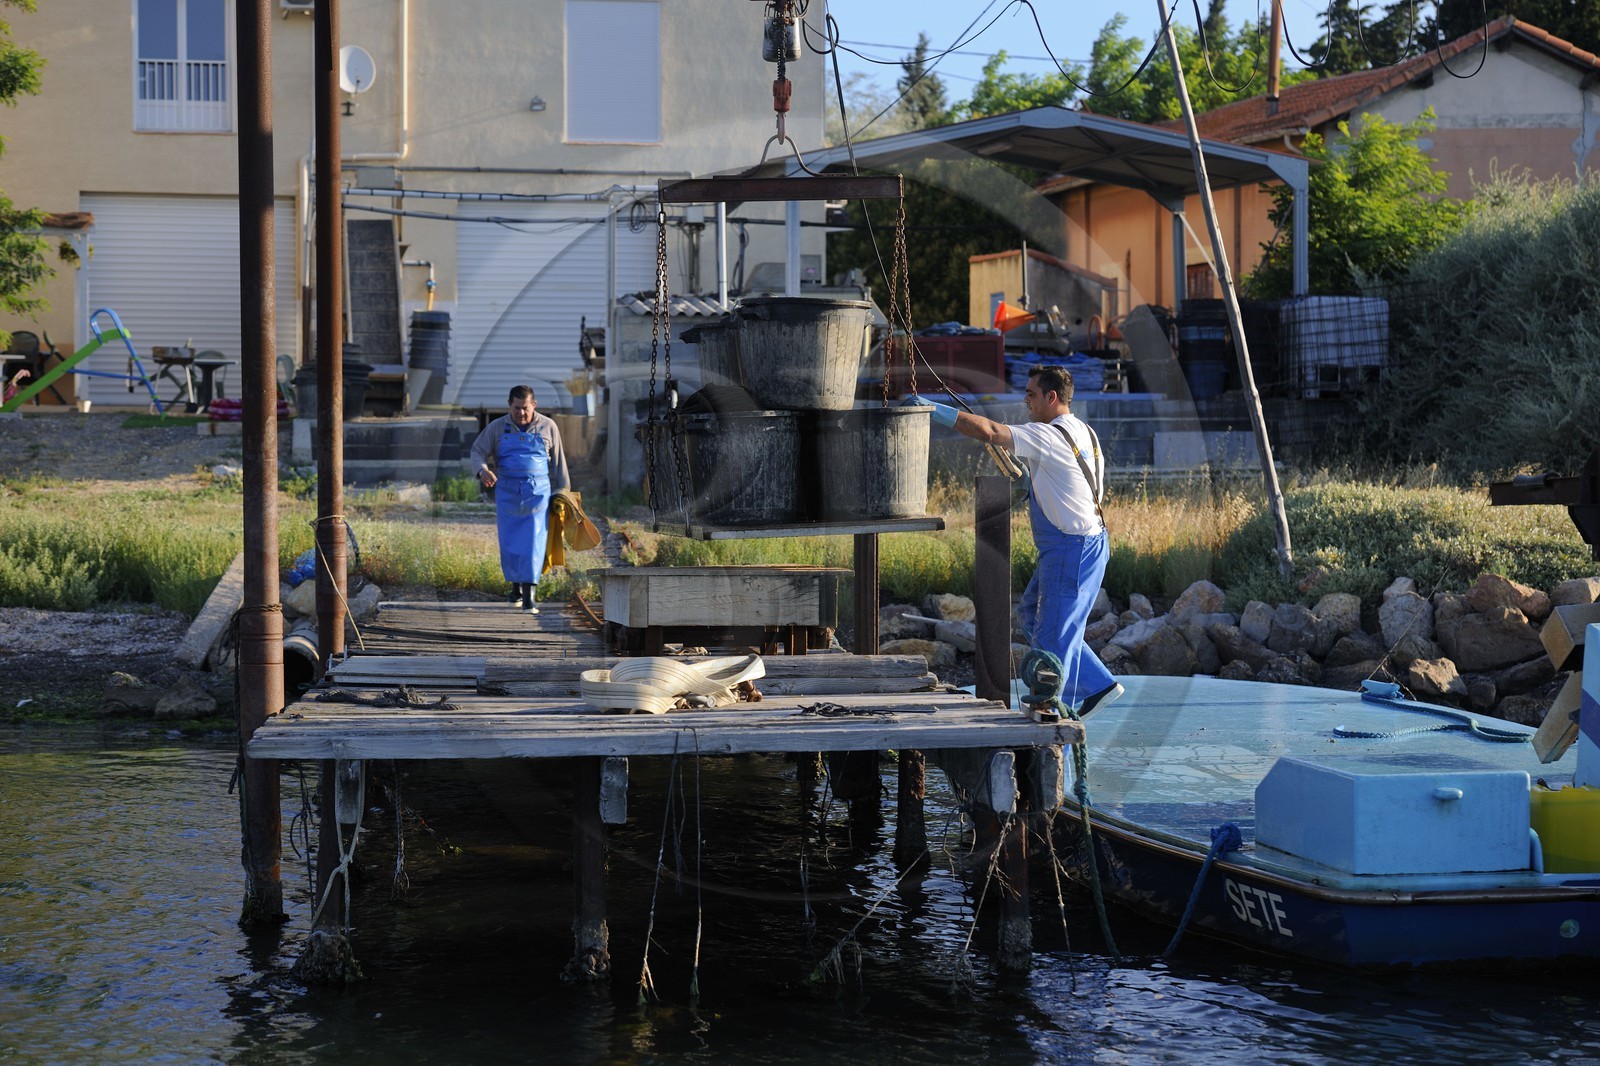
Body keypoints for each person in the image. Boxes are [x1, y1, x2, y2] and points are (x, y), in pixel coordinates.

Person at [913, 365, 1123, 714]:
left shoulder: (1050, 435)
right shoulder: (1084, 431)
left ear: (1051, 398)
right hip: (1088, 542)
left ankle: (1049, 709)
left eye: (1031, 394)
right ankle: (1098, 684)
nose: (1025, 399)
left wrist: (936, 409)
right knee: (1031, 615)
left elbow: (991, 431)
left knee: (1055, 634)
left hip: (1071, 549)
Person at [470, 384, 570, 613]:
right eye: (516, 408)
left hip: (538, 495)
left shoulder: (549, 426)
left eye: (525, 408)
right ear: (509, 406)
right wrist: (483, 470)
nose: (521, 414)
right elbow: (477, 451)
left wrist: (564, 494)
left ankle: (529, 596)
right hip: (507, 494)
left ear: (534, 405)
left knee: (534, 542)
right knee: (510, 542)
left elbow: (559, 463)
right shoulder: (496, 428)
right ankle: (515, 588)